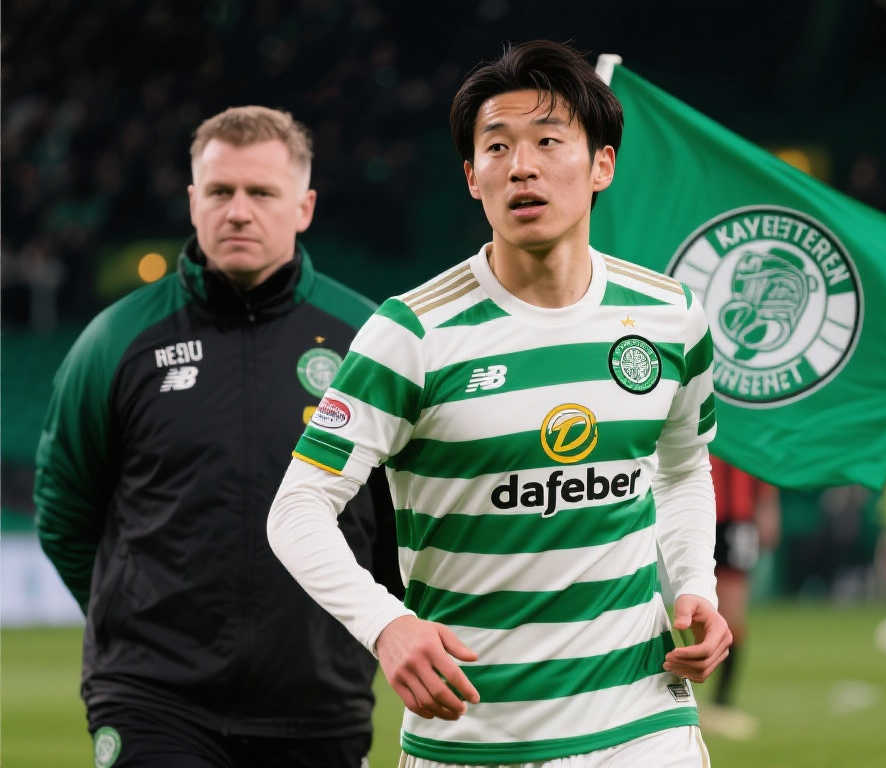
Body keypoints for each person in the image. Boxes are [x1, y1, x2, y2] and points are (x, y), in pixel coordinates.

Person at [268, 41, 732, 767]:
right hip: (471, 739)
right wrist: (386, 625)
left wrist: (694, 584)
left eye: (549, 141)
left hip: (645, 728)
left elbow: (681, 470)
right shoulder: (411, 334)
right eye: (497, 146)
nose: (522, 166)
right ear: (471, 177)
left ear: (602, 165)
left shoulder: (671, 316)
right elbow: (297, 508)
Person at [34, 106, 399, 768]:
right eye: (220, 191)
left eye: (261, 193)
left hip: (318, 704)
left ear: (304, 207)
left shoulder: (368, 342)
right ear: (192, 201)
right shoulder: (115, 341)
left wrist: (356, 633)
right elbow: (64, 510)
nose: (238, 212)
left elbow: (403, 517)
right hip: (153, 701)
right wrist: (132, 614)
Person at [699, 455, 779, 740]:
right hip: (693, 515)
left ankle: (722, 701)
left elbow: (759, 451)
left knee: (731, 614)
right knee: (687, 610)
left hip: (737, 522)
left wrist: (768, 508)